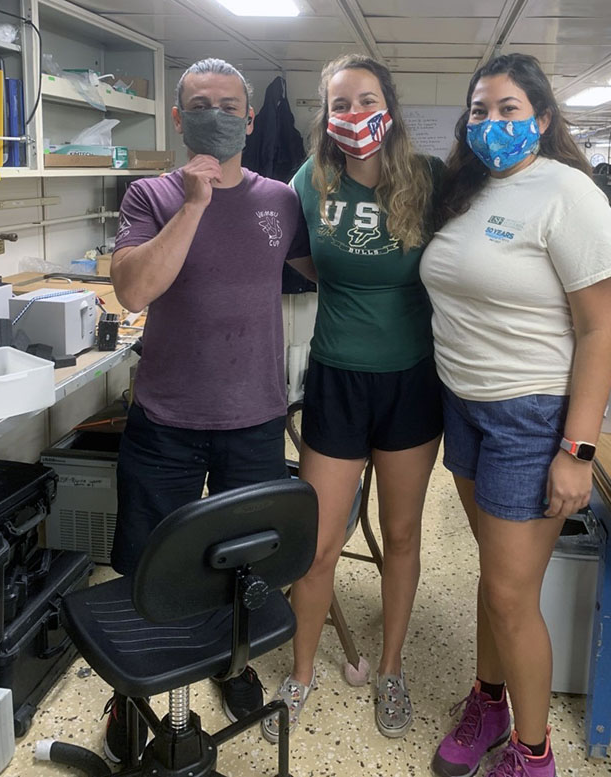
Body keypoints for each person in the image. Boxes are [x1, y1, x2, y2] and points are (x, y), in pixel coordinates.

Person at [420, 53, 611, 777]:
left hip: (531, 416)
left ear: (541, 118)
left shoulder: (569, 194)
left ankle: (531, 754)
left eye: (508, 109)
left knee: (511, 593)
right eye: (479, 110)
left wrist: (577, 448)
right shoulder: (464, 189)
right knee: (495, 577)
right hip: (464, 407)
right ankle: (488, 698)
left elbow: (599, 332)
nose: (491, 123)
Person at [105, 57, 310, 763]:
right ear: (176, 116)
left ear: (251, 119)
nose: (216, 115)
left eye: (229, 105)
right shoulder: (150, 195)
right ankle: (128, 690)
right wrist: (194, 203)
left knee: (241, 565)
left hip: (253, 415)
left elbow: (327, 272)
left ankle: (232, 662)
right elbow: (133, 291)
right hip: (165, 416)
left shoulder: (282, 200)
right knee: (142, 558)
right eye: (200, 103)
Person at [261, 53, 444, 744]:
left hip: (410, 381)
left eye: (365, 100)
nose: (354, 114)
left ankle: (390, 668)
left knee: (400, 535)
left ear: (387, 105)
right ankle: (302, 673)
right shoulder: (311, 178)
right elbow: (299, 254)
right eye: (340, 103)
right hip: (336, 378)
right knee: (318, 543)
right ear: (325, 112)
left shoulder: (426, 179)